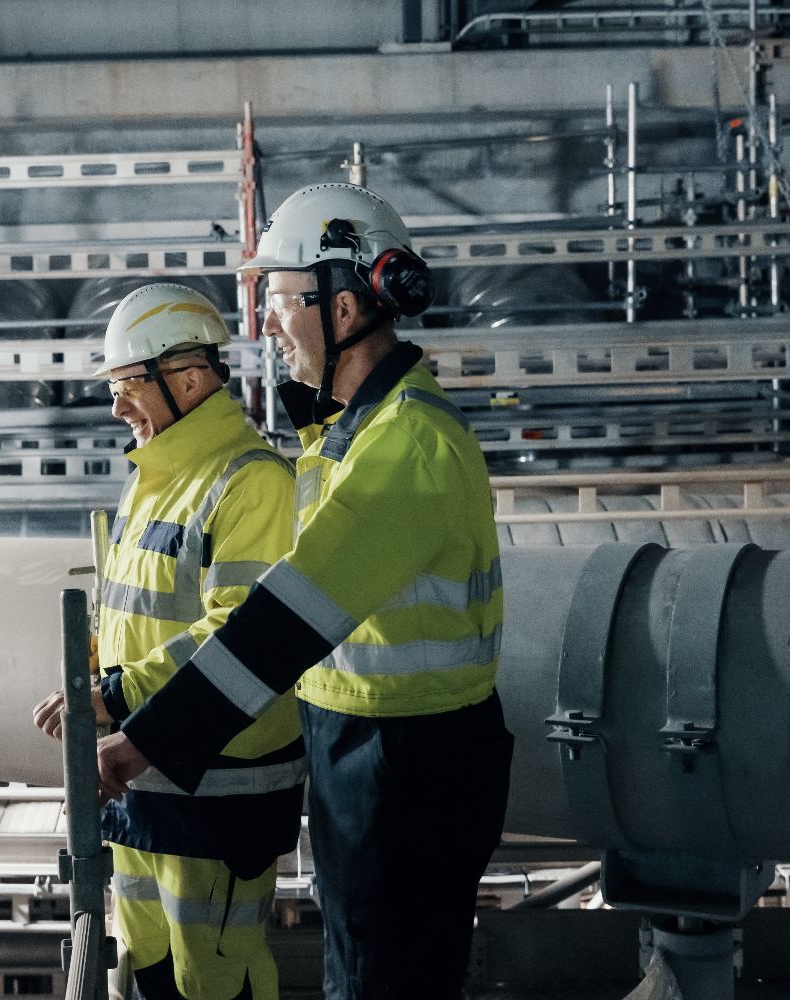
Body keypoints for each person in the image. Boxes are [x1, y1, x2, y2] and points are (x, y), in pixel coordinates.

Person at [95, 185, 514, 1000]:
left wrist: (147, 737)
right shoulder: (348, 436)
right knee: (359, 970)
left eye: (282, 300)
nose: (267, 325)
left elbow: (283, 623)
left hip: (409, 768)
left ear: (348, 303)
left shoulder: (407, 445)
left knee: (381, 983)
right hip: (365, 753)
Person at [32, 282, 305, 1000]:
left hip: (219, 797)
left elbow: (241, 634)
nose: (117, 405)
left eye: (128, 386)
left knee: (213, 981)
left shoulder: (252, 484)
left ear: (186, 379)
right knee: (143, 972)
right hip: (142, 784)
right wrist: (94, 679)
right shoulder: (153, 480)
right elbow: (132, 612)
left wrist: (115, 694)